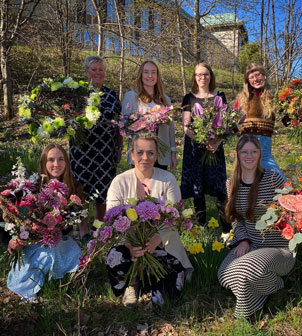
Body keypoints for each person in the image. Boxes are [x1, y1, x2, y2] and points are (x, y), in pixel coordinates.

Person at [105, 132, 193, 306]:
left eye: (150, 153)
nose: (145, 157)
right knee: (115, 257)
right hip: (130, 246)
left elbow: (175, 217)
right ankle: (132, 283)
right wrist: (130, 245)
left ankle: (153, 284)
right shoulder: (119, 182)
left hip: (163, 245)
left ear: (156, 155)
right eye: (140, 152)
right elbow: (111, 220)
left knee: (164, 298)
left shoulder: (168, 180)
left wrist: (156, 239)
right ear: (131, 155)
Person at [217, 135, 295, 319]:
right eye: (244, 152)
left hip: (279, 248)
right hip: (252, 246)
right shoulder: (231, 183)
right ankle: (272, 286)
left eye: (253, 152)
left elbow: (292, 208)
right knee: (224, 275)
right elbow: (236, 219)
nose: (249, 156)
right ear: (237, 155)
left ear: (260, 154)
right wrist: (243, 239)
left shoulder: (272, 178)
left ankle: (243, 314)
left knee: (244, 271)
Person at [7, 144, 88, 301]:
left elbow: (82, 223)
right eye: (51, 160)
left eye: (60, 159)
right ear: (44, 162)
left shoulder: (74, 186)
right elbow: (16, 216)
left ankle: (56, 282)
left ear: (67, 162)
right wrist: (14, 237)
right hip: (34, 241)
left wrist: (87, 241)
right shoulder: (33, 186)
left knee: (72, 255)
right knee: (42, 256)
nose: (56, 164)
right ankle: (34, 285)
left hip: (59, 239)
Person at [70, 55, 123, 221]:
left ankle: (99, 227)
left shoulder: (112, 95)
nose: (98, 73)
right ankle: (83, 228)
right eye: (94, 70)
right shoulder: (77, 94)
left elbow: (120, 124)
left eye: (101, 69)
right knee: (81, 191)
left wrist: (119, 147)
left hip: (105, 151)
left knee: (103, 190)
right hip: (81, 151)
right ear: (87, 72)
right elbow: (68, 121)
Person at [181, 62, 230, 233]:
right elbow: (186, 127)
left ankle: (226, 230)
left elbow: (225, 123)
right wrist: (201, 139)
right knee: (197, 188)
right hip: (195, 149)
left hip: (215, 149)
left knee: (220, 188)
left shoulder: (220, 96)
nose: (202, 77)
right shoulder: (189, 97)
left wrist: (217, 141)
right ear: (194, 77)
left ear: (211, 76)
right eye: (199, 74)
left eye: (206, 74)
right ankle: (201, 227)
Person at [121, 60, 177, 170]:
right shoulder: (131, 97)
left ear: (157, 75)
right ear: (141, 75)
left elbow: (170, 129)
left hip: (161, 154)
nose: (150, 76)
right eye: (146, 72)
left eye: (153, 72)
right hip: (140, 154)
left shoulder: (165, 100)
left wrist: (173, 152)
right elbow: (124, 127)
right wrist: (148, 120)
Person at [235, 63, 285, 180]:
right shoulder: (242, 98)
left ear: (264, 76)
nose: (255, 79)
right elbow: (230, 119)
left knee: (273, 174)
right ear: (247, 80)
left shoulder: (273, 98)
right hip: (246, 142)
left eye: (258, 75)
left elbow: (286, 120)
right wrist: (238, 134)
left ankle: (286, 195)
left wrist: (297, 114)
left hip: (264, 143)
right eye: (251, 77)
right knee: (247, 174)